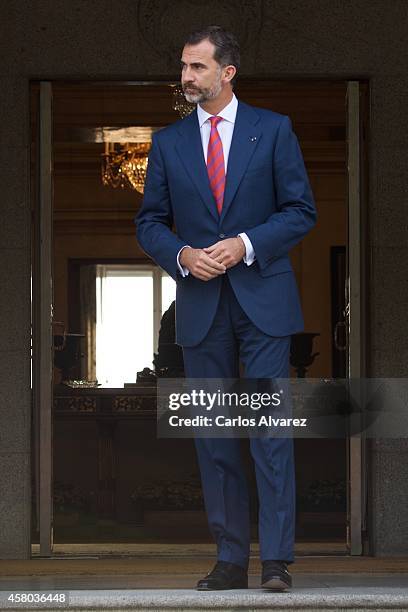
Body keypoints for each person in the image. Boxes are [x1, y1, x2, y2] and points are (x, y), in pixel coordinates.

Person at [136, 25, 316, 591]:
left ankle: (278, 562)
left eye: (196, 67)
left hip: (263, 298)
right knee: (214, 434)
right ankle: (231, 559)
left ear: (226, 72)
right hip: (200, 303)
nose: (185, 77)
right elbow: (149, 223)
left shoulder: (274, 129)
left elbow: (299, 210)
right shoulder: (167, 143)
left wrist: (245, 243)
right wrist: (184, 254)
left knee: (269, 431)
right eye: (184, 67)